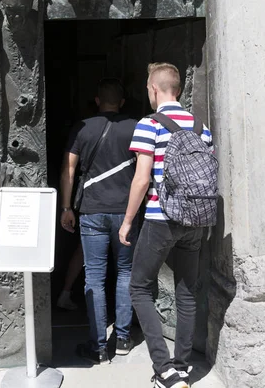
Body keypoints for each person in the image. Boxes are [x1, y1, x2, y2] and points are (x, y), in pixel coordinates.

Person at [119, 63, 213, 388]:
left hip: (162, 218)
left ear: (154, 89)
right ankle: (183, 367)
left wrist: (128, 221)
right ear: (179, 89)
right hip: (196, 220)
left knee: (139, 287)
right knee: (187, 294)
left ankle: (165, 370)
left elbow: (142, 179)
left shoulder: (150, 124)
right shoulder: (201, 126)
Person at [60, 78, 138, 364]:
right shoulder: (135, 125)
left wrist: (67, 207)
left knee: (94, 275)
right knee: (125, 272)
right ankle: (123, 338)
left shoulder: (83, 127)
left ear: (96, 100)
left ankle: (98, 346)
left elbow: (68, 168)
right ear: (122, 102)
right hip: (125, 211)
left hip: (92, 210)